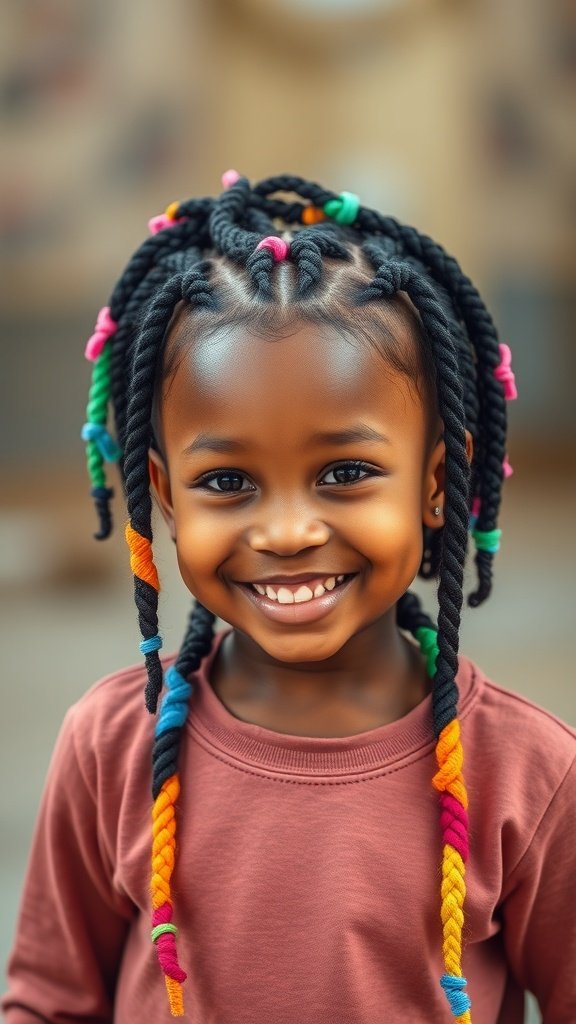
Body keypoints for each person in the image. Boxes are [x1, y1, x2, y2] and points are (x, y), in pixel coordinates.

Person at [3, 172, 575, 1024]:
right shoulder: (110, 747)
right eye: (228, 481)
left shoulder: (527, 775)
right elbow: (47, 1002)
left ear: (437, 484)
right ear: (164, 494)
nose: (286, 531)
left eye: (344, 473)